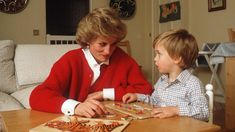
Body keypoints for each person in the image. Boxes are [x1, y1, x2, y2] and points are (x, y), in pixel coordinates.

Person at [30, 7, 152, 118]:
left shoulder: (122, 58)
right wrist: (76, 107)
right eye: (102, 44)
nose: (108, 51)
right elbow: (37, 96)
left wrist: (104, 94)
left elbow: (145, 90)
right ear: (88, 40)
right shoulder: (70, 60)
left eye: (114, 43)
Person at [122, 29, 209, 121]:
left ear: (176, 58)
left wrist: (175, 110)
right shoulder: (162, 80)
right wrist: (137, 96)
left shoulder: (192, 83)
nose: (155, 59)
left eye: (159, 54)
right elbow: (155, 101)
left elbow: (203, 112)